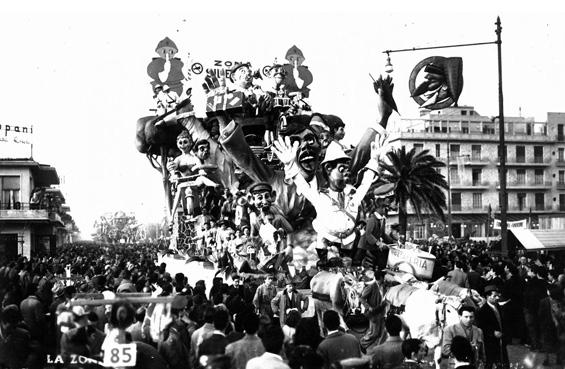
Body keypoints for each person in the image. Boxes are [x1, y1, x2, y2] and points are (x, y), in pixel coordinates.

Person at [476, 285, 508, 369]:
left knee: (502, 362)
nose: (497, 298)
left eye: (498, 295)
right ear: (487, 297)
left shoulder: (498, 307)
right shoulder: (483, 311)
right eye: (494, 296)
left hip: (500, 341)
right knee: (490, 363)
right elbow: (481, 327)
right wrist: (492, 333)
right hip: (490, 343)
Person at [359, 269, 387, 350]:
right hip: (374, 313)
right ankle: (362, 344)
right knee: (374, 333)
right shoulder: (371, 287)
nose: (384, 278)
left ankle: (378, 349)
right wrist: (368, 307)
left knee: (380, 333)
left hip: (381, 312)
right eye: (383, 277)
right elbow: (361, 298)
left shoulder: (384, 285)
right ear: (381, 278)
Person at [538, 285, 565, 366]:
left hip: (556, 326)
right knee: (551, 343)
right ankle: (553, 359)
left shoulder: (545, 301)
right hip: (549, 325)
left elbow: (540, 314)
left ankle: (554, 359)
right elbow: (540, 314)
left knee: (554, 342)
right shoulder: (545, 301)